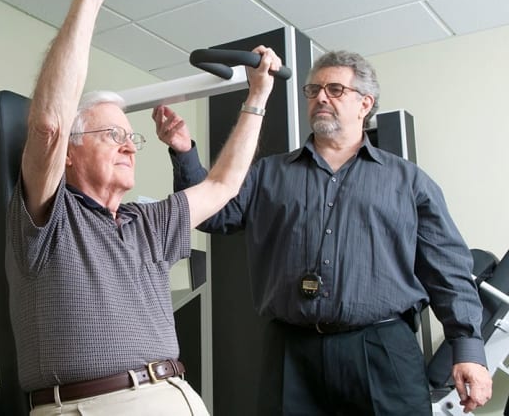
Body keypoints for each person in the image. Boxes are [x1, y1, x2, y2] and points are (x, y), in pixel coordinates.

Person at [6, 0, 283, 415]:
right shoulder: (48, 217)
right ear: (69, 154)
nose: (130, 147)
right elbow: (49, 123)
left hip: (180, 396)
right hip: (97, 404)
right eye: (113, 136)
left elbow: (223, 185)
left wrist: (257, 98)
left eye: (131, 139)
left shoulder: (147, 222)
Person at [154, 49, 493, 415]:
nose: (320, 98)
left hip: (381, 348)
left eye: (334, 89)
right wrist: (184, 152)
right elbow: (213, 216)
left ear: (365, 103)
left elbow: (448, 270)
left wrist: (468, 350)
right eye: (313, 90)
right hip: (291, 352)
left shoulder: (409, 182)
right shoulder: (268, 174)